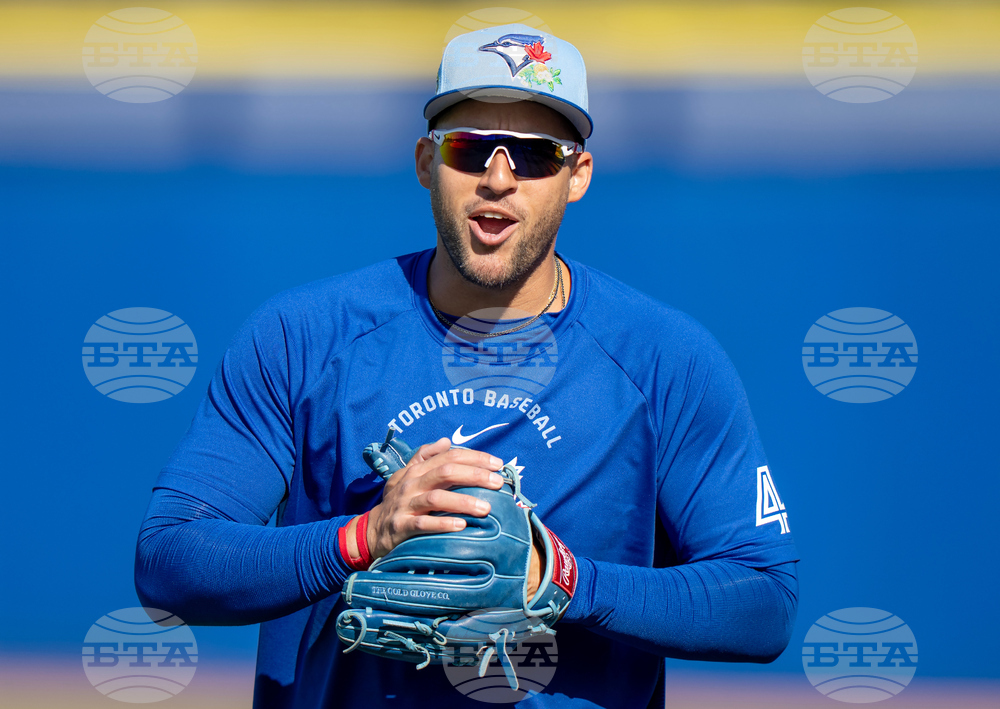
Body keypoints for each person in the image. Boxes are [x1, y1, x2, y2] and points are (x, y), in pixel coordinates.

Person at [134, 24, 799, 708]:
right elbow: (169, 562)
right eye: (469, 148)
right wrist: (365, 535)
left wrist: (561, 576)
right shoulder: (301, 337)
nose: (499, 178)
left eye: (537, 155)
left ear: (578, 176)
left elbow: (762, 603)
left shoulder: (665, 360)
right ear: (426, 162)